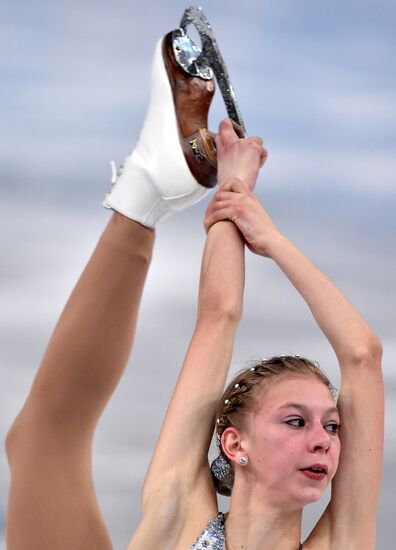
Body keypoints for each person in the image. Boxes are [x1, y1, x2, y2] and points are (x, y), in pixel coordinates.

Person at [5, 30, 383, 550]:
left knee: (42, 441)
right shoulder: (181, 508)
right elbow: (218, 316)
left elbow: (362, 356)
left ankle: (146, 186)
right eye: (298, 421)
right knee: (41, 443)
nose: (323, 439)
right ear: (234, 443)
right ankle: (150, 185)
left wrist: (254, 217)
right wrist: (242, 204)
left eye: (333, 427)